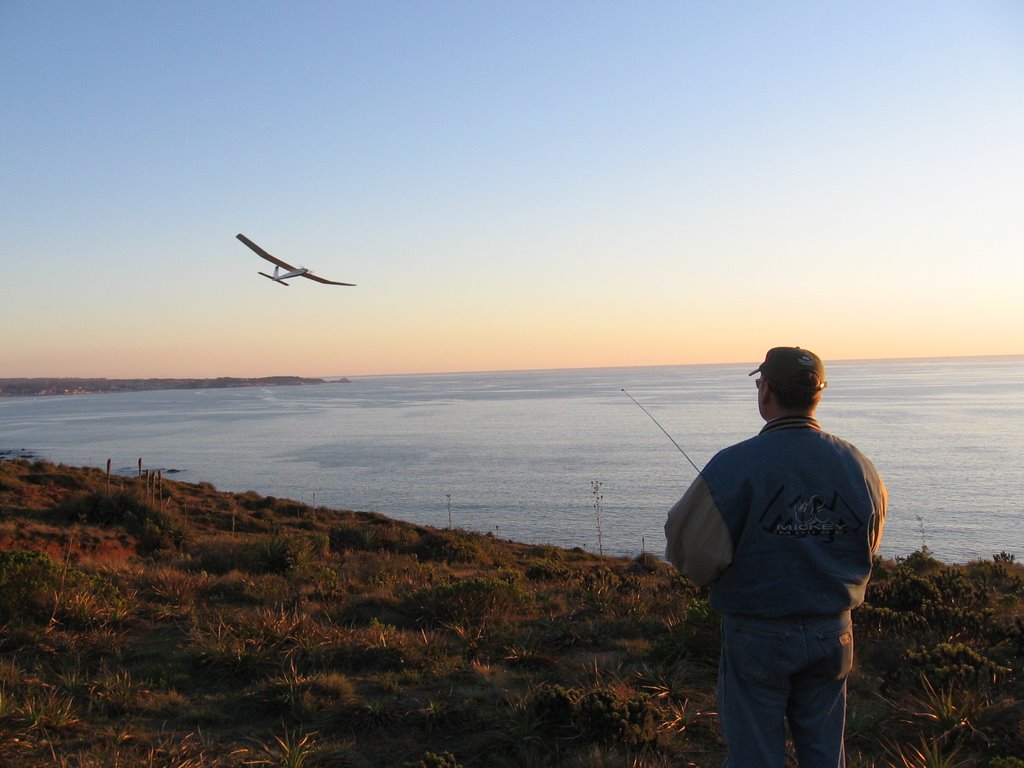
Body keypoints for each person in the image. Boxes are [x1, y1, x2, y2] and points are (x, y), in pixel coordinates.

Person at [664, 347, 887, 768]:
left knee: (755, 757)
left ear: (765, 392)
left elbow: (685, 546)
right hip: (833, 633)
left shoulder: (734, 464)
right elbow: (869, 541)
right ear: (817, 395)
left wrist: (715, 576)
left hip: (757, 633)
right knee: (824, 755)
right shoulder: (859, 465)